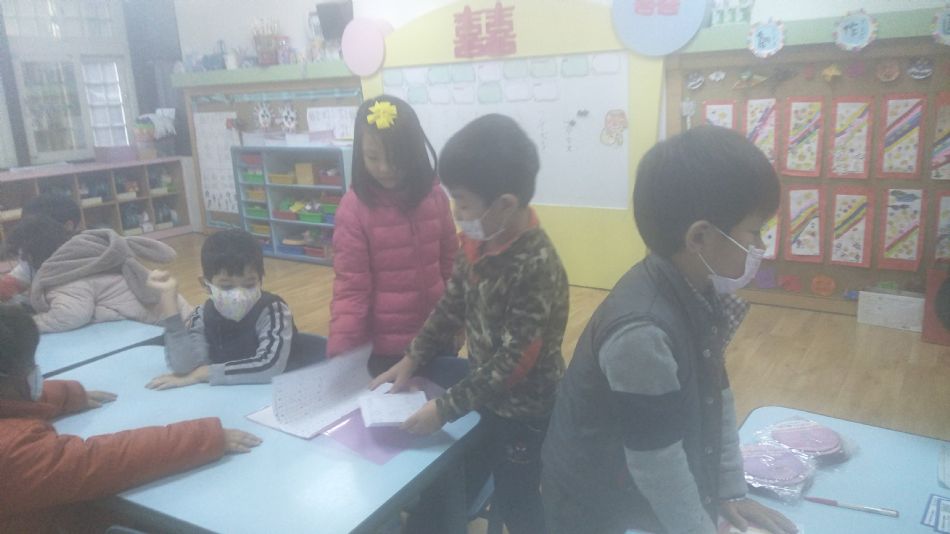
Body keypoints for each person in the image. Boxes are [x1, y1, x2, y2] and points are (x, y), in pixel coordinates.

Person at [541, 126, 797, 534]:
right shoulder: (642, 334)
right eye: (754, 231)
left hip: (639, 492)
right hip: (594, 510)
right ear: (700, 237)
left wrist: (730, 491)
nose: (761, 246)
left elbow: (718, 395)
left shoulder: (698, 288)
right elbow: (656, 461)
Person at [371, 114, 570, 534]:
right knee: (456, 479)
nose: (455, 211)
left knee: (517, 501)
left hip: (525, 412)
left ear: (505, 205)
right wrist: (412, 357)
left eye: (462, 201)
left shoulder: (536, 265)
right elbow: (452, 304)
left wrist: (444, 408)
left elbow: (514, 363)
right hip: (484, 397)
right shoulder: (479, 241)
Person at [0, 304, 261, 533]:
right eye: (29, 365)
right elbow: (105, 460)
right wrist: (204, 437)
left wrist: (65, 395)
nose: (36, 371)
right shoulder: (13, 450)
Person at [330, 95, 458, 376]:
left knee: (440, 401)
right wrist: (342, 355)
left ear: (414, 151)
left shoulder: (435, 196)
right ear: (360, 154)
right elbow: (350, 290)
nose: (385, 168)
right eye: (373, 157)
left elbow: (451, 266)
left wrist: (458, 323)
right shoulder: (353, 209)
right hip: (387, 350)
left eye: (395, 157)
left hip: (437, 338)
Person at [146, 229, 304, 389]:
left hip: (281, 393)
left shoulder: (273, 311)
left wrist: (204, 374)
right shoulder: (202, 315)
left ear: (260, 280)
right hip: (231, 396)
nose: (239, 295)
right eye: (227, 286)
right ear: (205, 284)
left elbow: (270, 366)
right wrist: (169, 303)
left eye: (249, 284)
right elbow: (185, 366)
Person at [7, 217, 190, 333]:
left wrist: (30, 324)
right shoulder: (84, 253)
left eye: (22, 258)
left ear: (31, 256)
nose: (21, 264)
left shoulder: (65, 276)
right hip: (180, 316)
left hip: (173, 330)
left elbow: (71, 316)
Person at [0, 194, 81, 303]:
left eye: (34, 231)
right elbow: (17, 278)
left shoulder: (82, 260)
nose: (29, 240)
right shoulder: (37, 255)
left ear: (68, 227)